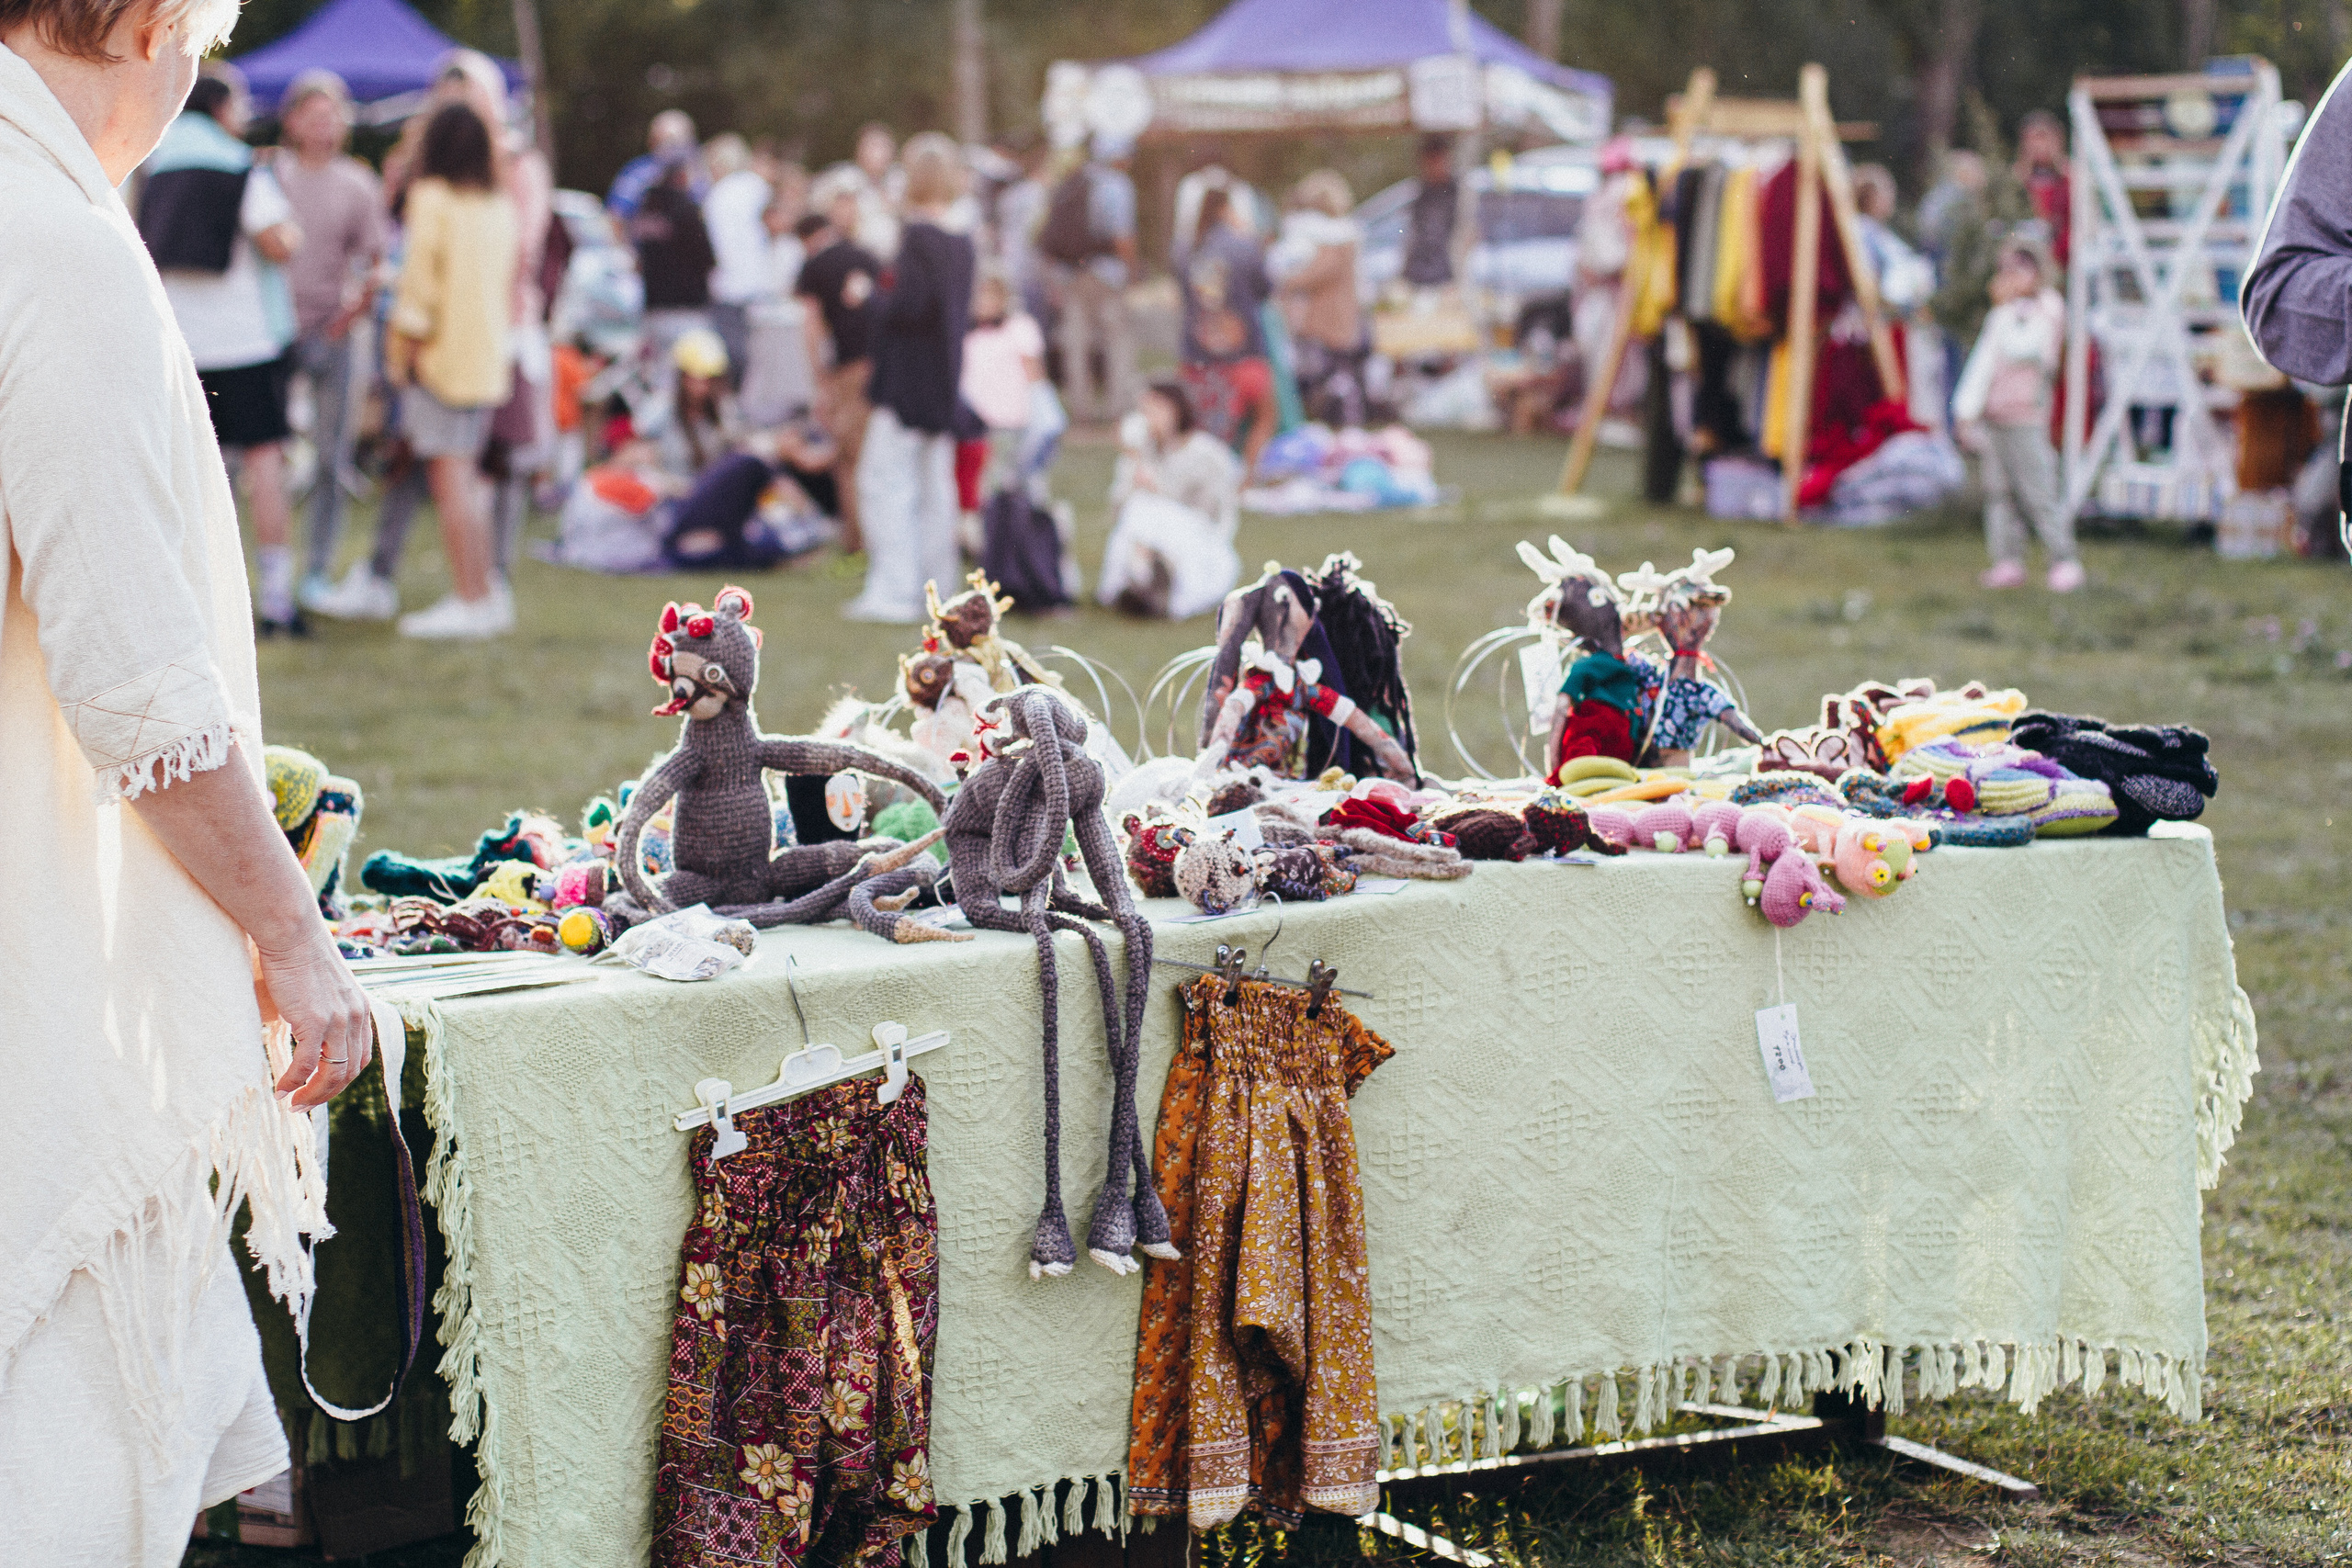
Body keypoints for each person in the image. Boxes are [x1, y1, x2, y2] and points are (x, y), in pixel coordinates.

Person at [1, 2, 374, 1555]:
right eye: (199, 45)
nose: (190, 80)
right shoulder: (56, 244)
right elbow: (135, 673)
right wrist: (295, 935)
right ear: (148, 21)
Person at [141, 65, 305, 634]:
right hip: (246, 341)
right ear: (222, 108)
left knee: (190, 474)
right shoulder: (240, 166)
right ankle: (277, 597)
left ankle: (196, 600)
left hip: (181, 344)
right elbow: (279, 243)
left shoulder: (153, 165)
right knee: (264, 462)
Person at [384, 102, 520, 637]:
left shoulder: (431, 199)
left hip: (439, 357)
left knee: (452, 481)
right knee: (471, 480)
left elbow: (419, 285)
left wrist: (403, 355)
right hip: (486, 359)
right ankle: (485, 594)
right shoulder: (499, 207)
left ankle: (469, 599)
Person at [845, 132, 976, 624]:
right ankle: (936, 586)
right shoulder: (962, 241)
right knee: (933, 486)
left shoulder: (918, 239)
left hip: (908, 381)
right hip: (943, 378)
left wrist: (869, 297)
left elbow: (910, 307)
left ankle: (895, 590)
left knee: (884, 483)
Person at [271, 70, 386, 611]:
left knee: (331, 456)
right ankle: (269, 566)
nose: (326, 126)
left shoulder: (357, 183)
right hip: (275, 334)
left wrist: (350, 314)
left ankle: (317, 570)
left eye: (334, 115)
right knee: (261, 455)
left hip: (337, 334)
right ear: (292, 120)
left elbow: (377, 263)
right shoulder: (272, 175)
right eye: (315, 115)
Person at [1954, 237, 2080, 592]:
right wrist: (1966, 410)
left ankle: (2063, 558)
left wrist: (2009, 310)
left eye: (2018, 268)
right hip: (1996, 417)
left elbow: (2024, 349)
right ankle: (2007, 560)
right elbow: (1983, 365)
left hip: (2027, 416)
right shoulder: (2002, 316)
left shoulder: (2048, 310)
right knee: (2000, 493)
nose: (2009, 276)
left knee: (2038, 491)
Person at [1097, 379, 1242, 620]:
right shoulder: (1140, 451)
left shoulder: (1206, 453)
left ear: (1177, 410)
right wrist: (1133, 465)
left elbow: (1213, 513)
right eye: (1144, 411)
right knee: (1139, 508)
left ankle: (1149, 581)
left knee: (1145, 509)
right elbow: (1118, 509)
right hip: (1143, 537)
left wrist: (1159, 491)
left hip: (1195, 540)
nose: (1148, 417)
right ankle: (1143, 579)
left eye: (1155, 409)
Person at [793, 178, 881, 551]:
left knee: (849, 459)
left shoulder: (814, 266)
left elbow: (811, 329)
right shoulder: (870, 259)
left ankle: (857, 544)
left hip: (850, 371)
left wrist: (820, 379)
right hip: (878, 366)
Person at [1175, 183, 1276, 475]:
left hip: (1199, 358)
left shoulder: (1187, 250)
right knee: (1264, 417)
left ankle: (1206, 479)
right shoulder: (1244, 246)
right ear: (1227, 209)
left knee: (1206, 429)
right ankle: (1246, 479)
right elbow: (1265, 289)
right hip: (1244, 357)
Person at [1044, 130, 1138, 423]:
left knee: (1076, 341)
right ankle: (1117, 406)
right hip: (1106, 274)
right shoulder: (1118, 185)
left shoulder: (1073, 181)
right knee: (1116, 339)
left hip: (1073, 273)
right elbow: (1122, 236)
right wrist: (1132, 270)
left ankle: (1080, 408)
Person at [1272, 169, 1366, 432]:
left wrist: (1286, 281)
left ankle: (1343, 421)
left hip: (1332, 319)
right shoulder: (1337, 234)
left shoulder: (1337, 238)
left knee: (1335, 376)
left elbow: (1319, 272)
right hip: (1331, 319)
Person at [631, 147, 718, 368]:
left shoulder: (646, 207)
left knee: (658, 376)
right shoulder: (687, 210)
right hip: (686, 309)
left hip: (653, 307)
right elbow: (707, 259)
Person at [701, 132, 773, 384]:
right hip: (761, 286)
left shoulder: (716, 196)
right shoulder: (757, 187)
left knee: (733, 356)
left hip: (729, 288)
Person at [607, 107, 699, 220]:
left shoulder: (703, 170)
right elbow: (615, 215)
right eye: (665, 141)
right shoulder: (637, 171)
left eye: (676, 141)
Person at [1402, 132, 1460, 288]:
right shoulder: (1421, 192)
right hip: (1418, 273)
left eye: (1435, 161)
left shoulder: (1458, 193)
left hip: (1447, 275)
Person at [2014, 109, 2071, 266]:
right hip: (2027, 256)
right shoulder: (2017, 179)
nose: (2037, 145)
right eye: (2031, 139)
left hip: (2061, 256)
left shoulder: (2069, 177)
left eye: (2042, 138)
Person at [848, 119, 902, 257]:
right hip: (859, 255)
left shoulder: (901, 180)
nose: (877, 152)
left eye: (883, 146)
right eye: (872, 146)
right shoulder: (846, 182)